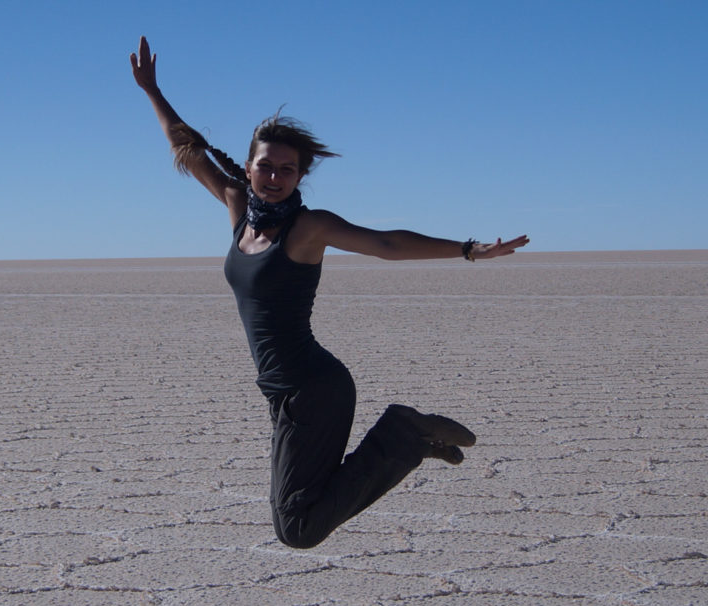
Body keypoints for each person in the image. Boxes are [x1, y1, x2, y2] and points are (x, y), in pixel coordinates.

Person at [131, 36, 529, 549]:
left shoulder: (308, 228)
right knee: (298, 515)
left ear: (301, 175)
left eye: (287, 169)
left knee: (299, 528)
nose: (274, 178)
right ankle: (404, 442)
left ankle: (404, 436)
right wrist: (152, 92)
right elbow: (187, 149)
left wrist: (469, 250)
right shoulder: (238, 212)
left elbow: (386, 243)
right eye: (265, 167)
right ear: (249, 168)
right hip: (282, 394)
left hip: (314, 388)